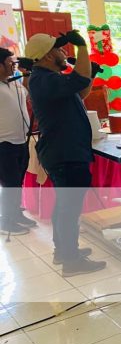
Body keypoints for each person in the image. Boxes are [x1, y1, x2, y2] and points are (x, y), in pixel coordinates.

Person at [25, 31, 106, 276]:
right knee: (69, 209)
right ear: (50, 54)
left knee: (64, 206)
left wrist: (89, 74)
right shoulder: (43, 80)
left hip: (65, 151)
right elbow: (78, 81)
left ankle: (64, 251)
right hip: (65, 153)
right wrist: (82, 47)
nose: (65, 53)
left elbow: (80, 93)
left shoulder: (50, 79)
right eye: (60, 50)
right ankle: (71, 261)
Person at [0, 47, 34, 235]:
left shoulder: (14, 82)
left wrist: (27, 72)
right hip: (3, 142)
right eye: (9, 63)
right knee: (9, 183)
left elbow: (28, 92)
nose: (13, 66)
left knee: (18, 181)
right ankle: (6, 222)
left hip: (21, 140)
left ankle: (16, 214)